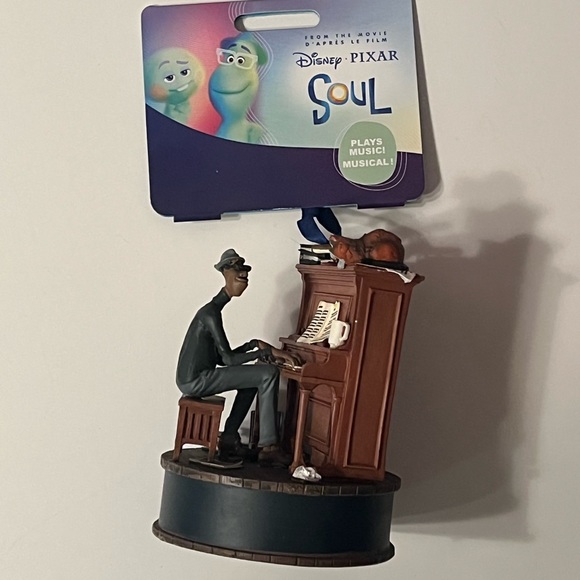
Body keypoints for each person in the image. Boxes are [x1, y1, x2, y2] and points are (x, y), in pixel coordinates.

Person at [176, 249, 300, 465]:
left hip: (195, 377)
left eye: (244, 273)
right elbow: (229, 361)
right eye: (237, 272)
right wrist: (268, 352)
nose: (243, 277)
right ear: (225, 273)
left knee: (252, 380)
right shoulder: (210, 314)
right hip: (195, 381)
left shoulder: (212, 311)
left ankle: (229, 438)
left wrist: (253, 344)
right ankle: (269, 447)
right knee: (269, 373)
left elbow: (223, 358)